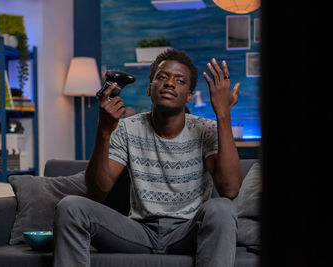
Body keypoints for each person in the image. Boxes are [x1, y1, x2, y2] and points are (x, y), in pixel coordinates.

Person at [53, 49, 242, 267]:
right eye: (162, 77)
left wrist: (223, 115)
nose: (170, 83)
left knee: (223, 208)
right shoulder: (127, 128)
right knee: (70, 206)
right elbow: (97, 191)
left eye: (179, 80)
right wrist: (104, 131)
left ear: (189, 95)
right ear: (149, 88)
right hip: (138, 232)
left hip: (187, 232)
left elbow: (230, 190)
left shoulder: (206, 129)